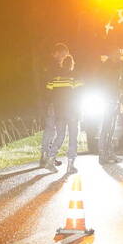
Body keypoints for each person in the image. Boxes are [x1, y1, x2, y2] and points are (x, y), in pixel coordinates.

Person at [40, 43, 82, 175]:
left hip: (59, 112)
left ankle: (50, 159)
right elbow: (80, 94)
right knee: (73, 137)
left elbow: (48, 92)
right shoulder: (75, 77)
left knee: (60, 136)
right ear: (72, 64)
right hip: (72, 112)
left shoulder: (55, 78)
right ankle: (70, 165)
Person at [96, 49, 123, 164]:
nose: (119, 57)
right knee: (106, 127)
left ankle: (109, 153)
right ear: (112, 55)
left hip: (113, 99)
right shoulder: (107, 67)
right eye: (117, 55)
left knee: (111, 128)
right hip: (108, 99)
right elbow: (107, 83)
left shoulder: (113, 66)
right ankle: (103, 154)